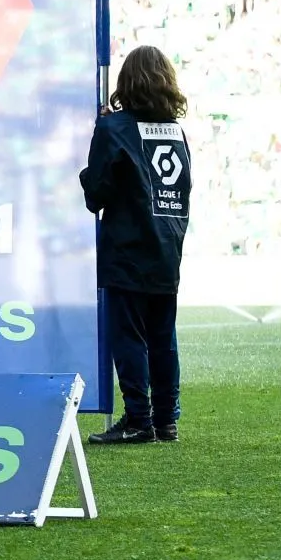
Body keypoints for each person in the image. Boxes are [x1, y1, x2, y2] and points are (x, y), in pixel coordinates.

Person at [81, 45, 193, 445]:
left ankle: (137, 419)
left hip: (128, 249)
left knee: (127, 336)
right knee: (164, 337)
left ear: (127, 81)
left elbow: (97, 194)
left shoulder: (114, 129)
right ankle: (166, 420)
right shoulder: (176, 132)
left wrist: (94, 150)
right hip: (167, 248)